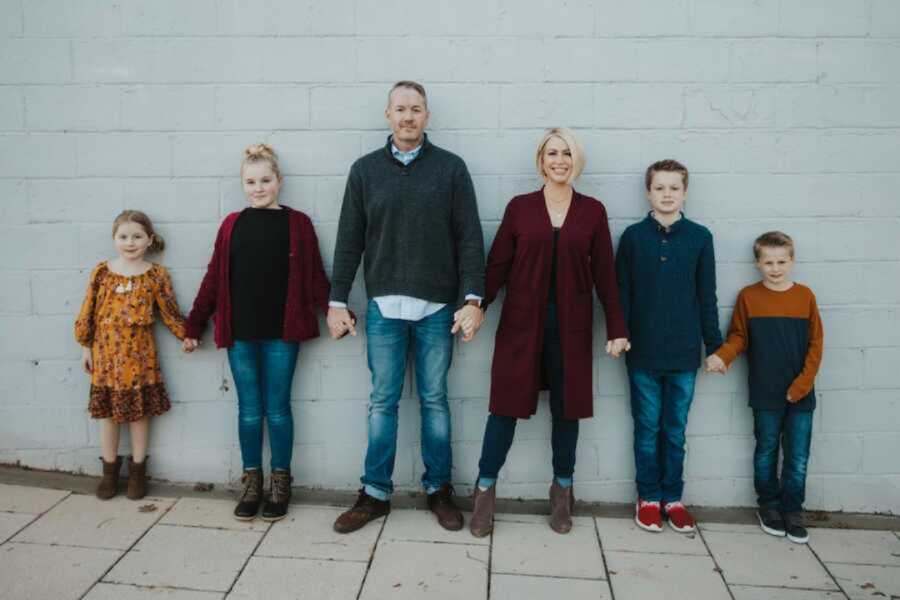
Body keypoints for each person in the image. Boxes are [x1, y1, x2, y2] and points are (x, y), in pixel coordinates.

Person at [328, 81, 486, 534]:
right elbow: (348, 241)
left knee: (435, 400)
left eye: (416, 109)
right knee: (383, 401)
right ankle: (375, 493)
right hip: (383, 307)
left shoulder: (452, 170)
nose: (408, 117)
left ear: (427, 116)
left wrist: (473, 298)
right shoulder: (364, 171)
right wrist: (337, 301)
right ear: (387, 114)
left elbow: (470, 238)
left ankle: (439, 490)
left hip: (438, 307)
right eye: (400, 109)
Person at [468, 128, 629, 537]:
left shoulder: (592, 211)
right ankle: (485, 490)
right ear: (541, 160)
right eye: (552, 153)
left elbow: (606, 275)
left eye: (567, 153)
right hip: (521, 324)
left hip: (571, 327)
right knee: (504, 407)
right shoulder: (520, 208)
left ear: (577, 161)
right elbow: (498, 265)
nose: (559, 160)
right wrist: (476, 306)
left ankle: (562, 491)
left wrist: (616, 327)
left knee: (567, 409)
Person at [183, 144, 332, 522]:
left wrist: (333, 309)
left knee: (278, 409)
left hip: (282, 334)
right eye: (251, 182)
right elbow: (214, 279)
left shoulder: (298, 224)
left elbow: (315, 275)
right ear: (242, 185)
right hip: (242, 334)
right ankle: (252, 481)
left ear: (279, 182)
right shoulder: (232, 224)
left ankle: (281, 481)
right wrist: (194, 325)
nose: (259, 187)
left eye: (266, 180)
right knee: (250, 411)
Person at [615, 159, 723, 534]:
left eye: (674, 188)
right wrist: (619, 331)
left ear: (685, 192)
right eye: (659, 188)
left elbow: (706, 296)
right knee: (647, 429)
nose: (666, 194)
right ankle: (647, 498)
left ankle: (672, 498)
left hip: (683, 354)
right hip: (642, 353)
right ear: (648, 192)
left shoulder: (700, 237)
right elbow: (621, 293)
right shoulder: (632, 237)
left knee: (674, 430)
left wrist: (715, 346)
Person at [706, 231, 823, 544]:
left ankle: (793, 509)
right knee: (766, 450)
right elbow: (739, 337)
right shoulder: (748, 297)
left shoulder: (806, 297)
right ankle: (769, 506)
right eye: (768, 262)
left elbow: (816, 345)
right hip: (764, 392)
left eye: (781, 261)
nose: (775, 268)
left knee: (797, 456)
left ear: (792, 261)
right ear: (757, 263)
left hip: (801, 394)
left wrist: (801, 385)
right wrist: (722, 357)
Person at [75, 210, 186, 501]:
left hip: (141, 360)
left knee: (139, 416)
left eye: (137, 236)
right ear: (114, 239)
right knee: (108, 417)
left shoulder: (156, 275)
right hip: (106, 359)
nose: (130, 242)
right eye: (123, 237)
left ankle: (138, 471)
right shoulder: (102, 272)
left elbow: (169, 311)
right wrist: (86, 347)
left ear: (149, 240)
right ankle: (109, 471)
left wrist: (186, 334)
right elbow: (88, 311)